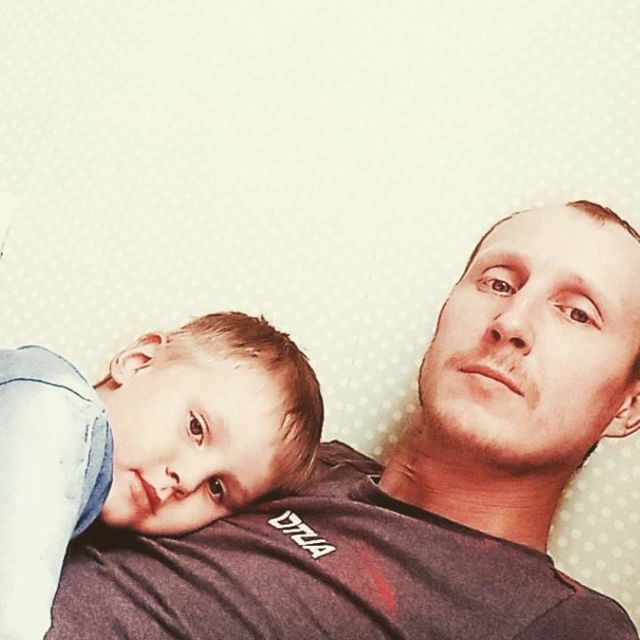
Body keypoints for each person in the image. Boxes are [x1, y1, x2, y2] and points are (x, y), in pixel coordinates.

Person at [47, 201, 640, 639]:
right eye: (498, 282)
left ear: (628, 405)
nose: (511, 321)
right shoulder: (281, 453)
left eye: (577, 313)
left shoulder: (566, 624)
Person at [0, 312, 323, 640]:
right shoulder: (53, 405)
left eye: (216, 487)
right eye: (196, 427)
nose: (188, 479)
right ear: (139, 362)